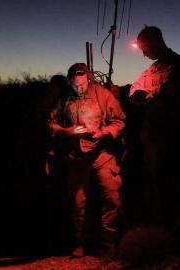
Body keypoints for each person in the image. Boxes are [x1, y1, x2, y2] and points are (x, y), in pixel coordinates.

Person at [48, 63, 126, 258]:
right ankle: (81, 243)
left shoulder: (102, 94)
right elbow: (51, 123)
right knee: (78, 202)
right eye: (75, 86)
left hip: (101, 155)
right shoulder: (65, 98)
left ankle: (110, 243)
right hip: (76, 157)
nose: (78, 89)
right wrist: (67, 131)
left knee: (111, 198)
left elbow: (119, 121)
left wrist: (104, 132)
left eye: (81, 85)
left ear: (89, 79)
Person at [129, 25, 180, 227]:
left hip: (172, 134)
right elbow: (133, 91)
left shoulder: (179, 66)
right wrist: (147, 95)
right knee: (154, 179)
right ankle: (160, 223)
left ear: (155, 43)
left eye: (145, 49)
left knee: (171, 180)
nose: (143, 54)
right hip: (151, 135)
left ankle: (174, 227)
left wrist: (148, 96)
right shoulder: (152, 69)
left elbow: (167, 95)